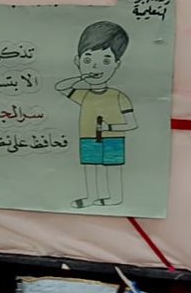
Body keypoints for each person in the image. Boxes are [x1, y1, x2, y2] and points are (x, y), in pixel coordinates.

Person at [54, 21, 137, 208]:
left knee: (113, 168)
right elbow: (60, 87)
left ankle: (115, 197)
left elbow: (132, 124)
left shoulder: (118, 96)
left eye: (106, 61)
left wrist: (110, 128)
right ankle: (91, 197)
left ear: (116, 64)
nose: (95, 67)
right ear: (77, 61)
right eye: (88, 60)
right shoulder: (84, 95)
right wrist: (81, 77)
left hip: (113, 139)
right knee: (90, 167)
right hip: (88, 137)